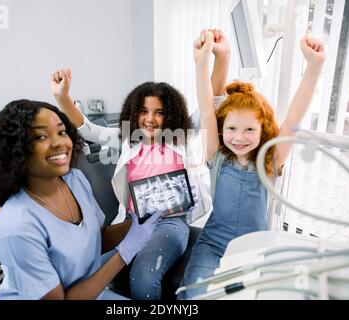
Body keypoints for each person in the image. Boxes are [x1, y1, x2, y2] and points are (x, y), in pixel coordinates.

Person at [50, 39, 229, 299]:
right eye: (144, 111)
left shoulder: (183, 136)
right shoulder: (127, 139)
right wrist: (62, 97)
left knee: (144, 276)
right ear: (134, 113)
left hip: (170, 222)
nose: (150, 118)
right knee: (88, 274)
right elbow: (89, 129)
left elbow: (209, 103)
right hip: (131, 223)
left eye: (159, 112)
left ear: (170, 115)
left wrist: (221, 58)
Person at [178, 30, 326, 299]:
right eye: (232, 128)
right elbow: (206, 107)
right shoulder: (217, 155)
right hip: (212, 244)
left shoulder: (270, 160)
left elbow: (294, 117)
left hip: (255, 249)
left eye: (249, 130)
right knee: (194, 295)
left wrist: (314, 67)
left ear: (263, 130)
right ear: (222, 131)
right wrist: (201, 64)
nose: (239, 137)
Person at [0, 99, 159, 300]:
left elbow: (96, 239)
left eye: (62, 132)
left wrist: (138, 223)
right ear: (14, 149)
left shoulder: (74, 180)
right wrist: (125, 253)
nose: (59, 143)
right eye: (40, 136)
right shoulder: (15, 228)